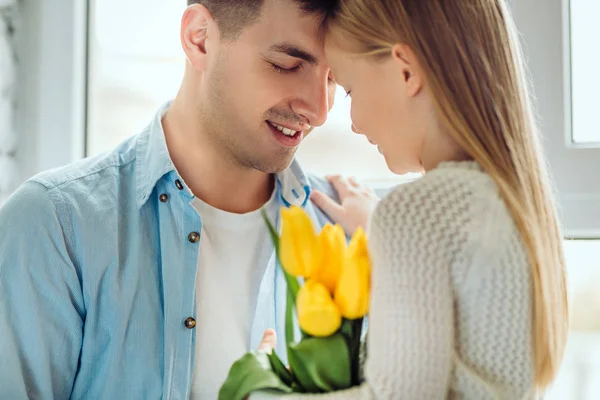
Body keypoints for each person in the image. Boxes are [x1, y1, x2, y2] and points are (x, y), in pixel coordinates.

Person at [0, 0, 349, 398]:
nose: (320, 110)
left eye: (335, 78)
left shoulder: (350, 233)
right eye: (288, 64)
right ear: (199, 38)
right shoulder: (53, 228)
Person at [254, 0, 568, 398]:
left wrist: (262, 392)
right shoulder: (509, 201)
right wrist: (380, 230)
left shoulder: (417, 214)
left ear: (406, 71)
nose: (352, 122)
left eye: (350, 89)